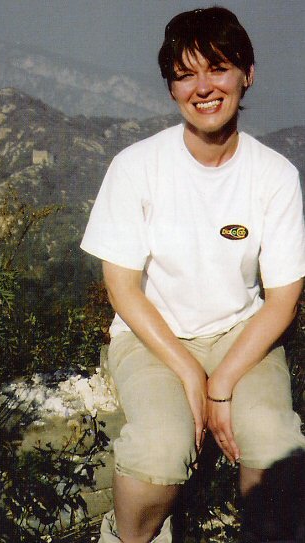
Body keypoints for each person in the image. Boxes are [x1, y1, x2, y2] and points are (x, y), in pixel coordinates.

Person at [81, 6, 305, 543]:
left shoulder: (274, 175)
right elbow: (123, 288)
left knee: (276, 443)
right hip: (152, 336)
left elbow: (281, 300)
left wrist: (221, 383)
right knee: (160, 445)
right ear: (171, 88)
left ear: (246, 74)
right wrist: (188, 372)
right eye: (185, 75)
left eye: (218, 68)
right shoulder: (136, 167)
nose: (203, 88)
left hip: (240, 335)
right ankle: (131, 535)